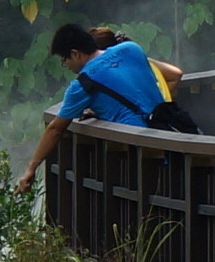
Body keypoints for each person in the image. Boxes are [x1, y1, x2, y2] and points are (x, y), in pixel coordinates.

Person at [14, 22, 170, 192]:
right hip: (170, 137)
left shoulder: (83, 84)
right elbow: (134, 87)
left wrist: (31, 168)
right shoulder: (131, 49)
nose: (66, 65)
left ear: (75, 54)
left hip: (139, 154)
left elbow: (55, 130)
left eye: (64, 60)